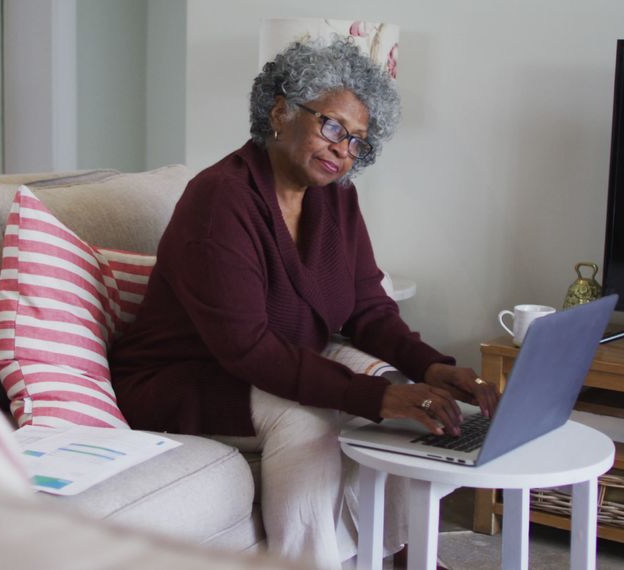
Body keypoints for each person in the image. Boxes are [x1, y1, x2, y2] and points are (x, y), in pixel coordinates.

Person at [108, 37, 499, 570]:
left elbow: (368, 308)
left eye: (357, 140)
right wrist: (371, 399)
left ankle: (401, 556)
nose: (343, 149)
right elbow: (246, 349)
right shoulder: (220, 199)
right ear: (280, 111)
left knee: (402, 388)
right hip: (180, 378)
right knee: (308, 418)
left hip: (270, 362)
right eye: (332, 126)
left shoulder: (337, 198)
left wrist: (430, 366)